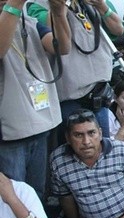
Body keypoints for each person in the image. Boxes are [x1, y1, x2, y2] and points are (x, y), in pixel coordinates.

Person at [0, 0, 71, 199]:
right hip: (9, 134)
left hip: (40, 125)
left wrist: (58, 13)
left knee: (36, 193)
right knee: (14, 198)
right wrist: (14, 4)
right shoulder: (12, 15)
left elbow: (62, 47)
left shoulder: (29, 22)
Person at [27, 0, 124, 140]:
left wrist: (101, 6)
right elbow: (50, 30)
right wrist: (62, 5)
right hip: (71, 100)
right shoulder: (37, 6)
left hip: (99, 94)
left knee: (102, 149)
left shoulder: (91, 3)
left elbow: (119, 30)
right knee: (74, 153)